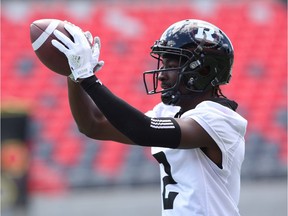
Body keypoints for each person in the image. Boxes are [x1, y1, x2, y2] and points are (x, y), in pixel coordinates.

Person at [52, 19, 248, 216]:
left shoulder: (221, 119)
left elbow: (146, 130)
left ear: (204, 71)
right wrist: (74, 75)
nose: (162, 75)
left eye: (171, 65)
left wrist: (88, 78)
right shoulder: (169, 112)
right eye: (163, 63)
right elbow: (93, 124)